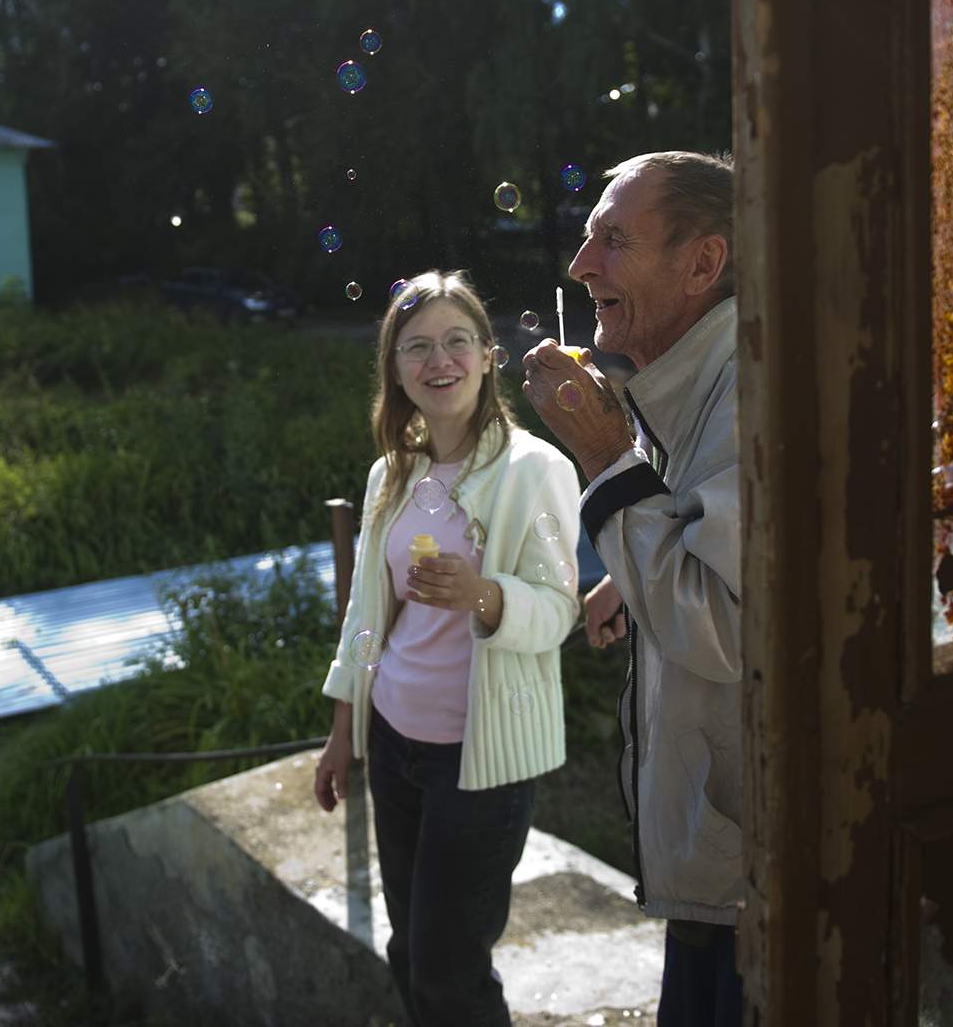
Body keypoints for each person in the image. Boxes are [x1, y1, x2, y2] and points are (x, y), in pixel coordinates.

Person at [313, 270, 583, 1026]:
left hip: (481, 760)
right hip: (395, 742)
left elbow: (560, 609)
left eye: (457, 341)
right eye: (418, 346)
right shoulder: (390, 472)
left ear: (490, 355)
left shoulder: (536, 470)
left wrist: (484, 595)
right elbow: (369, 615)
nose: (441, 361)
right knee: (409, 952)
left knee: (449, 971)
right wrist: (344, 732)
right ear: (396, 369)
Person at [519, 151, 744, 1026]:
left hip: (751, 887)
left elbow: (725, 624)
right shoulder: (694, 378)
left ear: (702, 264)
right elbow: (715, 534)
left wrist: (606, 461)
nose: (582, 267)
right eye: (586, 240)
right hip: (713, 868)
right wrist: (629, 570)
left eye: (613, 240)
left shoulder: (745, 392)